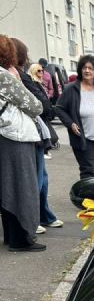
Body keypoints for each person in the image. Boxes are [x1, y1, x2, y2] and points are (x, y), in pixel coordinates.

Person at [0, 35, 45, 252]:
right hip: (15, 137)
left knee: (7, 186)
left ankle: (11, 236)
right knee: (22, 186)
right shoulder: (5, 77)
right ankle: (22, 238)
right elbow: (36, 106)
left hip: (3, 135)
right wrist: (18, 81)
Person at [55, 55, 94, 179]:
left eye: (90, 68)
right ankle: (87, 191)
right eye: (84, 68)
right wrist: (70, 123)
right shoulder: (71, 89)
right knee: (88, 172)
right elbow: (59, 108)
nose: (87, 71)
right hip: (84, 139)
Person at [23, 60, 63, 231]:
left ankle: (43, 216)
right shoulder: (26, 81)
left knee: (42, 178)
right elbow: (43, 107)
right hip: (33, 134)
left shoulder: (36, 83)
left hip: (39, 133)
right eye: (39, 71)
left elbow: (46, 106)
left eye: (42, 70)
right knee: (37, 179)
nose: (42, 73)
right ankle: (34, 219)